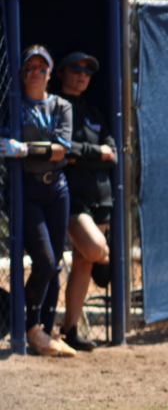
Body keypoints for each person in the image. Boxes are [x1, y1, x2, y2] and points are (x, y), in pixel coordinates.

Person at [1, 46, 76, 356]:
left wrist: (26, 149)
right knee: (44, 261)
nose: (35, 72)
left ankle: (46, 332)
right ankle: (33, 328)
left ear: (49, 73)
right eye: (29, 67)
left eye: (41, 67)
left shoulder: (61, 106)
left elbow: (61, 150)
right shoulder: (14, 105)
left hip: (57, 189)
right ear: (21, 73)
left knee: (55, 264)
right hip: (28, 191)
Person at [55, 51, 117, 352]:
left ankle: (69, 330)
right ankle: (109, 260)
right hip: (74, 198)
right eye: (76, 69)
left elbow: (113, 152)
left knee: (82, 261)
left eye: (88, 71)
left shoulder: (94, 112)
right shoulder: (57, 107)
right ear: (62, 73)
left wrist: (85, 155)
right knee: (94, 250)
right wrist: (95, 154)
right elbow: (65, 152)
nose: (82, 75)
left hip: (102, 197)